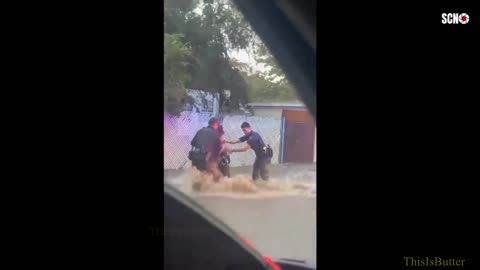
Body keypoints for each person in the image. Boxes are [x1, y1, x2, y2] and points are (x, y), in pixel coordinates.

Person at [189, 117, 223, 182]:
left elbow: (193, 143)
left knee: (198, 177)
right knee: (215, 175)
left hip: (194, 157)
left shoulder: (200, 131)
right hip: (205, 158)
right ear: (215, 124)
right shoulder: (216, 133)